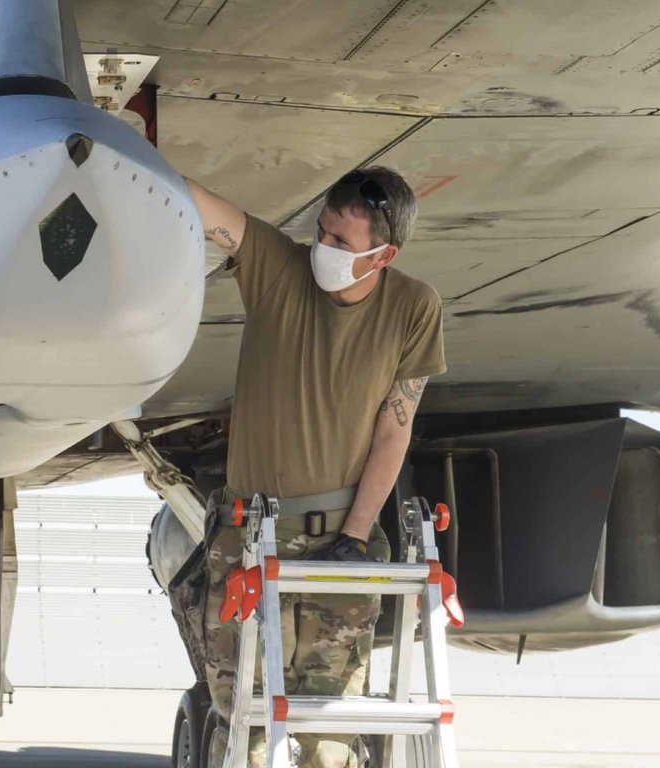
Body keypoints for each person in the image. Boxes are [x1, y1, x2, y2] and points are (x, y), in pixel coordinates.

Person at [189, 167, 446, 767]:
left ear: (384, 256)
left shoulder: (413, 307)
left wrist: (356, 535)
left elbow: (394, 427)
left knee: (327, 740)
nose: (324, 251)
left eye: (342, 243)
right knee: (245, 729)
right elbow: (203, 205)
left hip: (340, 544)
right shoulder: (278, 268)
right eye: (323, 233)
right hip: (250, 540)